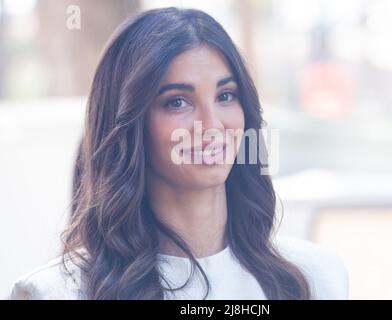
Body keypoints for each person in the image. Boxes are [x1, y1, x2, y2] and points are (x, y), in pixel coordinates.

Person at [9, 7, 348, 300]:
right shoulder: (55, 292)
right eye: (177, 102)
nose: (211, 124)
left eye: (226, 96)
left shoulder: (313, 278)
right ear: (130, 125)